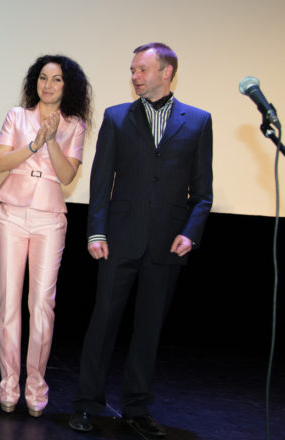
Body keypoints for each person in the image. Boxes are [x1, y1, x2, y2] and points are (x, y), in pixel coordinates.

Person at [69, 42, 213, 437]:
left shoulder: (198, 121)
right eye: (132, 70)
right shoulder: (117, 117)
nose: (134, 76)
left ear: (166, 73)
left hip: (167, 243)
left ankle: (136, 408)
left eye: (142, 69)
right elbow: (101, 180)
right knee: (103, 324)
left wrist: (191, 232)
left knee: (149, 330)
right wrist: (96, 230)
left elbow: (203, 191)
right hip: (118, 238)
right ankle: (86, 405)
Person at [0, 55, 91, 417]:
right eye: (43, 78)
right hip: (11, 213)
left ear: (68, 86)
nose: (48, 85)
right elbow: (0, 163)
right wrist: (34, 143)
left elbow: (66, 176)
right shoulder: (17, 116)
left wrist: (51, 141)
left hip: (50, 217)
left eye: (57, 79)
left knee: (42, 305)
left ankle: (36, 386)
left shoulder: (75, 125)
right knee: (8, 301)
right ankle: (8, 384)